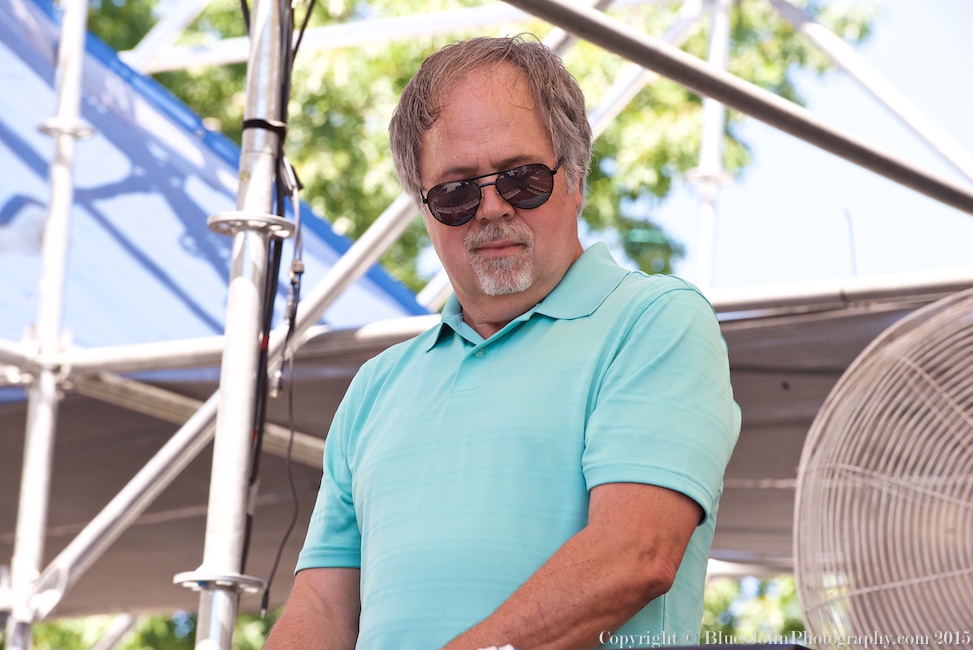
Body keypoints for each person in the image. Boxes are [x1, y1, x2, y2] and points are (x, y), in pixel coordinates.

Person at [265, 34, 740, 650]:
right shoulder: (376, 387)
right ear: (424, 209)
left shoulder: (655, 321)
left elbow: (634, 554)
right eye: (457, 191)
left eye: (520, 179)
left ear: (574, 179)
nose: (490, 208)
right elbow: (323, 611)